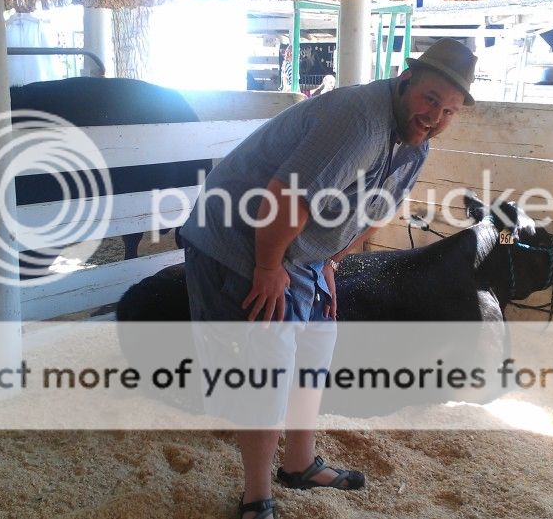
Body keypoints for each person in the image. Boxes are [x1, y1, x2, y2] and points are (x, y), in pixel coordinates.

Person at [180, 38, 477, 519]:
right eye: (430, 99)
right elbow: (285, 197)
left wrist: (330, 263)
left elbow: (375, 211)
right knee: (269, 361)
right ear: (405, 80)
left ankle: (299, 463)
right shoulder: (359, 120)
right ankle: (256, 498)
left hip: (296, 247)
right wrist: (268, 268)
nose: (435, 117)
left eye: (449, 111)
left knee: (318, 342)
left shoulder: (414, 143)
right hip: (241, 237)